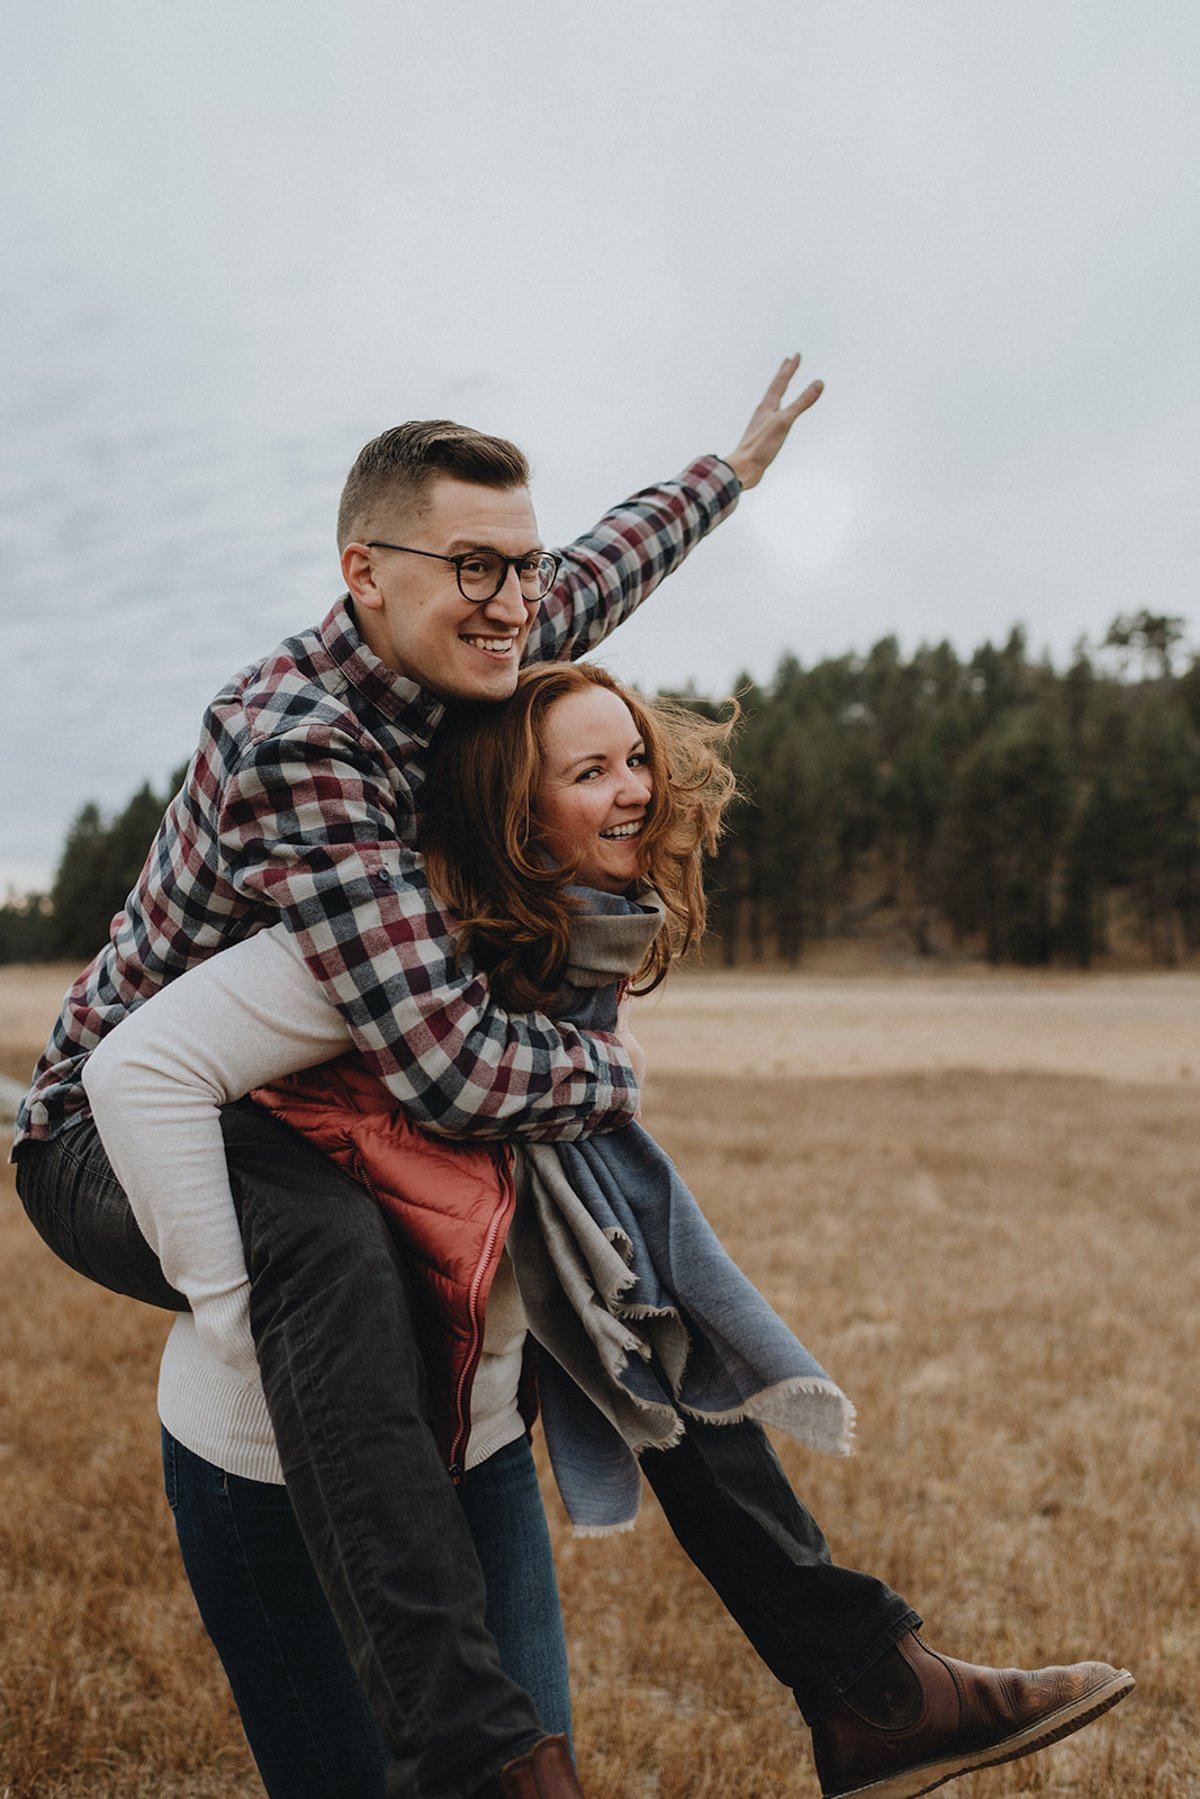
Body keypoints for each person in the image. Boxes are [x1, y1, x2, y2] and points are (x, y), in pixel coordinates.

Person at [80, 662, 1132, 1799]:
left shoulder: (576, 965)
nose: (635, 788)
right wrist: (239, 1311)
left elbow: (592, 1274)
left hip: (472, 1447)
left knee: (645, 1346)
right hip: (283, 1465)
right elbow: (136, 1069)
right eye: (590, 771)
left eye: (636, 757)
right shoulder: (382, 952)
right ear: (510, 815)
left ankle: (872, 1683)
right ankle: (876, 1683)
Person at [13, 360, 831, 1799]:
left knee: (556, 1237)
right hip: (112, 1126)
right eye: (475, 566)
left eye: (521, 565)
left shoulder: (479, 638)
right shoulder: (298, 738)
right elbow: (449, 1063)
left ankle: (851, 1666)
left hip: (282, 1095)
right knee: (326, 1243)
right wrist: (605, 1075)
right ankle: (464, 1740)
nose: (515, 599)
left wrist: (731, 472)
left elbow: (604, 565)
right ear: (364, 572)